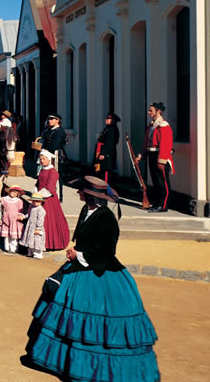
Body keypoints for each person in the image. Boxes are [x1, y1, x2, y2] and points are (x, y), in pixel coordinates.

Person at [24, 176, 160, 381]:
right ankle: (62, 361)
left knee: (96, 317)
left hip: (100, 270)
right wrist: (76, 251)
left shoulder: (106, 218)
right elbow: (84, 240)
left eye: (81, 191)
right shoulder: (86, 211)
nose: (78, 193)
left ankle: (94, 369)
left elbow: (106, 250)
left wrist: (78, 255)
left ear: (89, 195)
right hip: (80, 265)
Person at [136, 102, 174, 213]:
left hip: (160, 156)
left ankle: (163, 205)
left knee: (162, 182)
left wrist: (161, 161)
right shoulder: (152, 126)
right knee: (156, 182)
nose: (148, 112)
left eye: (151, 110)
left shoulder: (163, 125)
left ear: (158, 111)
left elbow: (166, 145)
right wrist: (141, 156)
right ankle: (157, 203)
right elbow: (146, 143)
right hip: (152, 156)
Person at [35, 150, 69, 251]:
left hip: (48, 199)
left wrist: (39, 195)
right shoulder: (42, 170)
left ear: (49, 159)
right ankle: (38, 243)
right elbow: (38, 183)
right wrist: (35, 191)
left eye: (44, 159)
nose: (42, 161)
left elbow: (50, 187)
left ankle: (49, 243)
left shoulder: (53, 172)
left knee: (49, 222)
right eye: (40, 159)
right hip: (39, 198)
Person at [39, 114, 67, 199]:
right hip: (47, 155)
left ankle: (57, 196)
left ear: (57, 120)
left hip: (56, 155)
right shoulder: (49, 130)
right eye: (49, 119)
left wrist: (45, 152)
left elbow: (54, 145)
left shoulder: (60, 131)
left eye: (52, 119)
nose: (49, 121)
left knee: (56, 175)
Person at [93, 113, 121, 183]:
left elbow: (110, 143)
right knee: (100, 172)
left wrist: (104, 154)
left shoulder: (112, 130)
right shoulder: (108, 128)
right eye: (106, 118)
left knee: (106, 175)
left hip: (107, 155)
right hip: (102, 151)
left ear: (113, 120)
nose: (106, 119)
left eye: (108, 119)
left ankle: (106, 190)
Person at [0, 186, 26, 253]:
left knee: (13, 235)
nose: (15, 194)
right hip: (6, 219)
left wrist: (21, 216)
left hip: (15, 220)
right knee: (6, 235)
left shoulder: (19, 201)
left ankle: (13, 249)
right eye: (13, 192)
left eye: (17, 193)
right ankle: (7, 247)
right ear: (9, 191)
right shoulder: (4, 199)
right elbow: (0, 207)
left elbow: (20, 210)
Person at [20, 192, 46, 259]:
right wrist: (24, 217)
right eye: (34, 201)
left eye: (37, 201)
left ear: (41, 202)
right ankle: (30, 252)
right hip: (30, 226)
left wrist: (38, 228)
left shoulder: (41, 210)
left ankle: (37, 254)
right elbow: (29, 214)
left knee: (36, 240)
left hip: (36, 227)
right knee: (30, 239)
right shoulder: (31, 207)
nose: (35, 203)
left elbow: (40, 220)